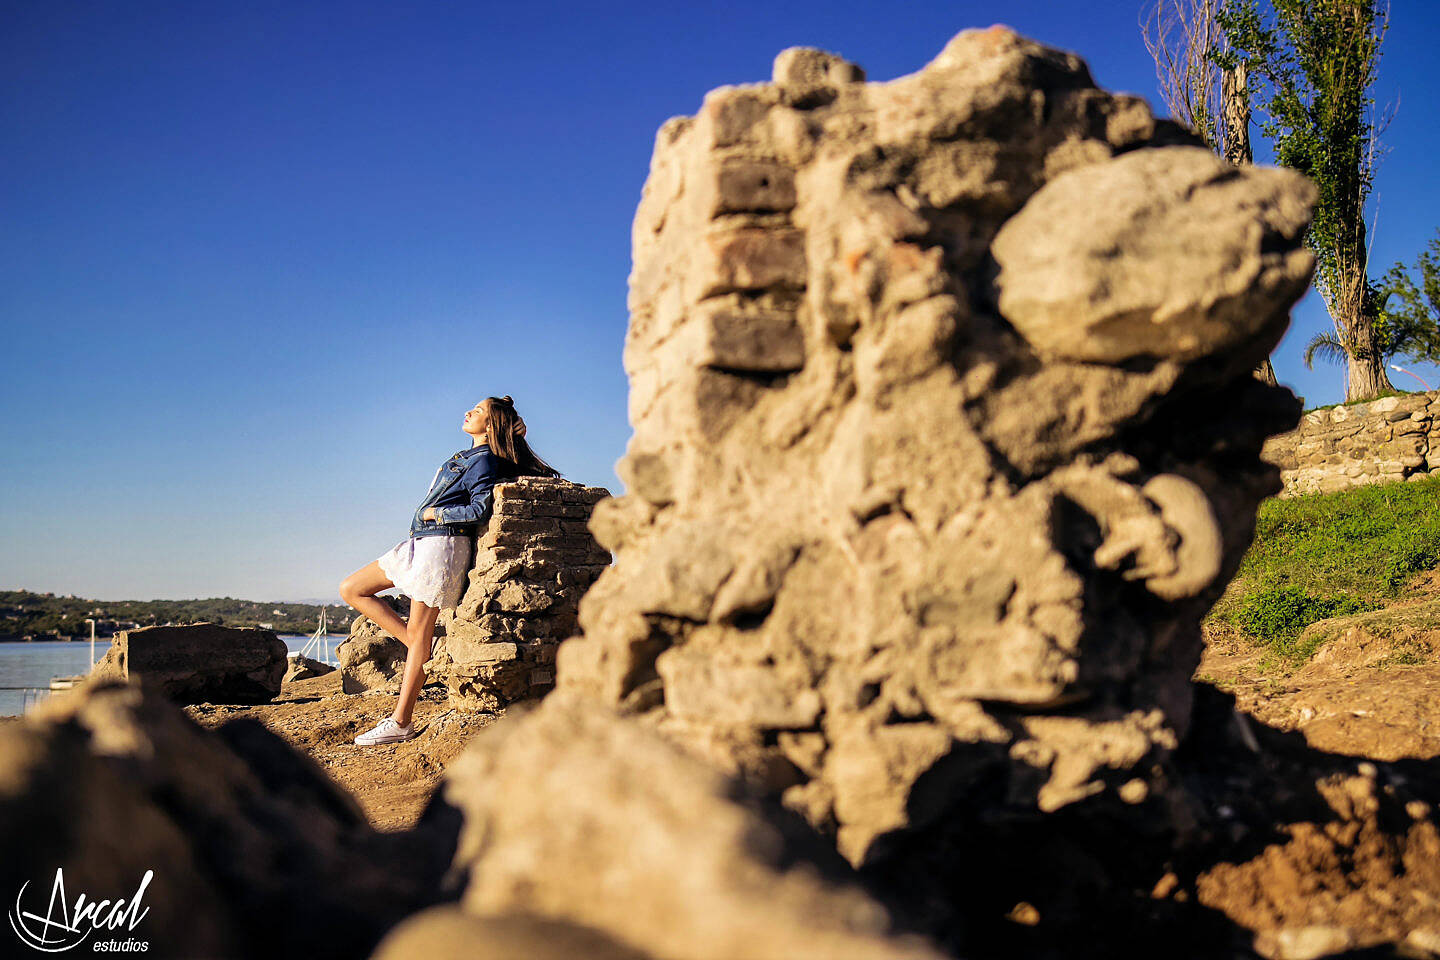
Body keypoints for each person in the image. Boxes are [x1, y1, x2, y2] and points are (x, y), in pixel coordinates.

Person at [339, 395, 559, 746]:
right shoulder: (469, 456)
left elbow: (478, 508)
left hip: (442, 546)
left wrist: (436, 515)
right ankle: (419, 647)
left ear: (490, 425)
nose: (469, 411)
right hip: (421, 543)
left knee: (417, 636)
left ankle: (401, 720)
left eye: (479, 411)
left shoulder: (484, 460)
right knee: (352, 588)